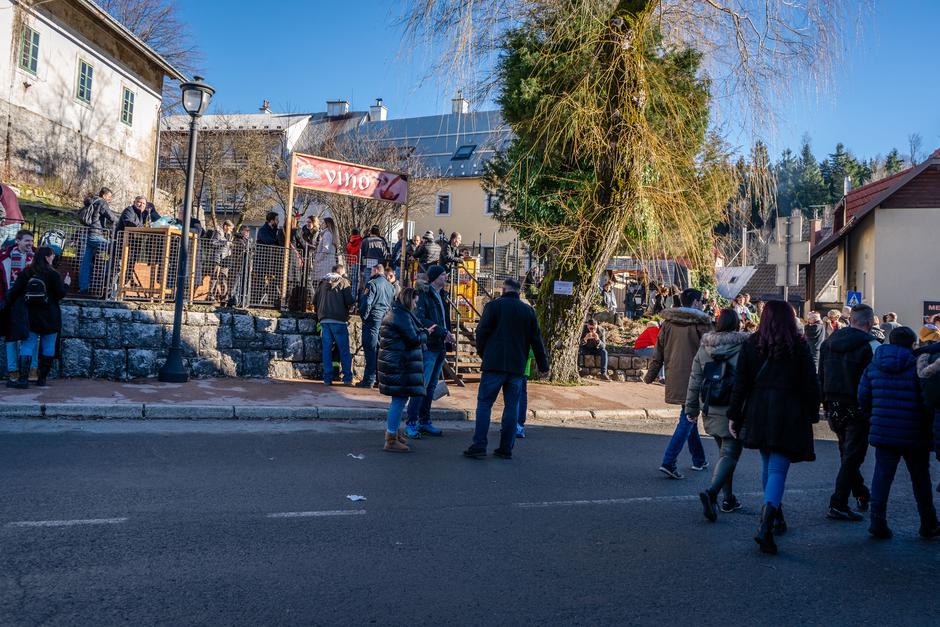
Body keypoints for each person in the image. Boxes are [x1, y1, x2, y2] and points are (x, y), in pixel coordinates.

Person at [727, 300, 819, 555]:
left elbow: (741, 383)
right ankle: (767, 523)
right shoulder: (798, 345)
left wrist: (734, 415)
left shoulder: (752, 344)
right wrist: (813, 413)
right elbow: (811, 384)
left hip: (759, 409)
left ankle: (774, 515)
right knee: (778, 467)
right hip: (789, 410)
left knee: (768, 463)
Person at [858, 326, 940, 539]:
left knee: (881, 477)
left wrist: (873, 417)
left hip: (884, 429)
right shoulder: (918, 365)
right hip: (915, 431)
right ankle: (928, 523)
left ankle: (877, 522)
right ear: (913, 344)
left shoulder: (874, 364)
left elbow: (863, 396)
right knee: (921, 479)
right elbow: (928, 399)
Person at [464, 277, 549, 459]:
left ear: (503, 290)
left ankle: (479, 445)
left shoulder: (493, 306)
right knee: (512, 407)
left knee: (485, 404)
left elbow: (481, 332)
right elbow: (536, 339)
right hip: (517, 366)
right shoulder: (528, 311)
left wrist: (483, 353)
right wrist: (543, 365)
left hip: (493, 363)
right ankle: (506, 448)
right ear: (519, 292)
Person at [818, 303, 881, 521]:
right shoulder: (871, 345)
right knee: (853, 455)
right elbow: (875, 379)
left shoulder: (828, 343)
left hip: (833, 404)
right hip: (858, 405)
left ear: (851, 320)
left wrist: (824, 402)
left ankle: (860, 492)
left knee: (847, 453)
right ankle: (838, 503)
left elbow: (821, 374)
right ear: (870, 322)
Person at [686, 309, 749, 521]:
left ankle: (728, 499)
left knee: (724, 454)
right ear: (737, 324)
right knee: (729, 454)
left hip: (710, 405)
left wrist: (691, 409)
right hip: (735, 408)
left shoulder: (705, 347)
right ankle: (712, 493)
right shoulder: (744, 346)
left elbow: (695, 379)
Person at [643, 288, 713, 479]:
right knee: (689, 416)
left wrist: (651, 375)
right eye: (702, 301)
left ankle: (699, 459)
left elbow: (658, 351)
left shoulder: (668, 323)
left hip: (675, 376)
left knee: (688, 415)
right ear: (695, 302)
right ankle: (669, 461)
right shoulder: (702, 324)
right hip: (696, 378)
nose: (703, 304)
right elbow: (712, 353)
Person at [2, 246, 69, 388]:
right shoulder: (54, 274)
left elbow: (14, 292)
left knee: (27, 345)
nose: (53, 258)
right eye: (52, 255)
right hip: (51, 316)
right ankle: (42, 379)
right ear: (46, 257)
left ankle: (23, 380)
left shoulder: (26, 272)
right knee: (48, 346)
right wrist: (66, 285)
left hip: (31, 316)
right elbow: (60, 294)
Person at [377, 287, 429, 453]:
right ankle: (391, 439)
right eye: (414, 301)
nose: (415, 305)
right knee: (399, 401)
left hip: (396, 363)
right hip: (399, 365)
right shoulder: (401, 315)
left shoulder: (397, 313)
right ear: (408, 299)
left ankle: (394, 433)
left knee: (399, 400)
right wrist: (426, 333)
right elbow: (413, 339)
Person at [405, 265, 453, 438]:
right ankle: (411, 422)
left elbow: (444, 319)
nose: (446, 277)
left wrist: (447, 334)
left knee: (431, 386)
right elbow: (420, 319)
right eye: (443, 274)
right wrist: (442, 331)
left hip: (440, 345)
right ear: (434, 277)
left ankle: (424, 421)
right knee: (422, 385)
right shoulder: (424, 295)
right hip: (429, 345)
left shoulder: (442, 295)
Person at [0, 229, 36, 383]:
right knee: (11, 337)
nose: (30, 244)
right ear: (18, 241)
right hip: (11, 302)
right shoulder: (4, 258)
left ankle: (32, 369)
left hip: (31, 302)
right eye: (27, 240)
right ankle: (13, 370)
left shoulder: (36, 258)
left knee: (32, 336)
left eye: (32, 241)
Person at [314, 264, 354, 386]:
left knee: (326, 350)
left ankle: (327, 379)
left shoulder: (322, 283)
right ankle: (347, 378)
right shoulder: (343, 282)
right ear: (341, 272)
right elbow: (349, 301)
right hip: (339, 320)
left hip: (324, 320)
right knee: (344, 350)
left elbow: (314, 301)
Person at [358, 263, 396, 388]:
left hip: (373, 320)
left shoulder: (372, 284)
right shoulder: (390, 287)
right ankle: (380, 379)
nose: (370, 274)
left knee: (370, 349)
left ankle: (369, 380)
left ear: (375, 271)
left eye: (371, 272)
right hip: (384, 320)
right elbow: (391, 305)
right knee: (381, 351)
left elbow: (366, 303)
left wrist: (364, 317)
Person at [78, 187, 117, 295]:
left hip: (88, 234)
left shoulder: (92, 201)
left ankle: (83, 288)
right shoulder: (102, 202)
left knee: (85, 263)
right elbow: (111, 217)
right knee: (114, 248)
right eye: (109, 197)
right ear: (104, 195)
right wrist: (121, 223)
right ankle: (108, 285)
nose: (110, 199)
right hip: (96, 234)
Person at [359, 225, 390, 296]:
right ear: (378, 232)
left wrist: (361, 268)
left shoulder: (365, 241)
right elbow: (385, 255)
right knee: (378, 284)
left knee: (367, 284)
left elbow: (360, 255)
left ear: (370, 232)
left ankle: (366, 298)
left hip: (367, 266)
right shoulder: (382, 241)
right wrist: (384, 266)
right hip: (379, 267)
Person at [208, 220, 234, 303]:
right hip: (217, 258)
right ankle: (211, 295)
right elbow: (212, 243)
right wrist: (224, 243)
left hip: (226, 259)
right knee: (214, 277)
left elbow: (229, 246)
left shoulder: (230, 235)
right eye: (230, 228)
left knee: (223, 278)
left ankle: (224, 297)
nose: (231, 230)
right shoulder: (218, 232)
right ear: (225, 226)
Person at [312, 217, 338, 284]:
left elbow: (326, 249)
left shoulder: (327, 234)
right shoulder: (330, 234)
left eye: (323, 223)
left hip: (324, 264)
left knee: (322, 284)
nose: (321, 224)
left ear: (327, 224)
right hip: (328, 262)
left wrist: (318, 258)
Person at [345, 228, 363, 294]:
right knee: (361, 281)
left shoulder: (349, 244)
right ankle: (358, 295)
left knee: (354, 280)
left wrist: (348, 263)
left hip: (353, 263)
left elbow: (348, 254)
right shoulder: (361, 242)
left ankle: (353, 294)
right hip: (360, 263)